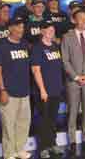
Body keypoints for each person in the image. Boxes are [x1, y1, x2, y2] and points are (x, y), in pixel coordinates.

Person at [61, 9, 85, 153]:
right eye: (81, 19)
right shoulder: (67, 37)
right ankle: (71, 141)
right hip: (73, 81)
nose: (84, 21)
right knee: (72, 111)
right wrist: (76, 77)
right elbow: (65, 61)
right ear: (74, 20)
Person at [0, 17, 32, 159]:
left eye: (22, 27)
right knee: (8, 125)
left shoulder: (24, 45)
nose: (20, 30)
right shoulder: (2, 45)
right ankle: (9, 153)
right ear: (10, 29)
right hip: (9, 92)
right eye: (17, 27)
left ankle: (20, 149)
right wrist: (2, 90)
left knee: (23, 123)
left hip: (24, 91)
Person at [31, 20, 64, 158]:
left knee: (52, 119)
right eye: (48, 30)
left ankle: (53, 144)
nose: (51, 32)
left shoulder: (56, 46)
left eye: (53, 30)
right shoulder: (37, 48)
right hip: (43, 91)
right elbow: (36, 70)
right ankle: (43, 147)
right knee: (44, 120)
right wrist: (43, 90)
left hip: (56, 89)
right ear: (42, 31)